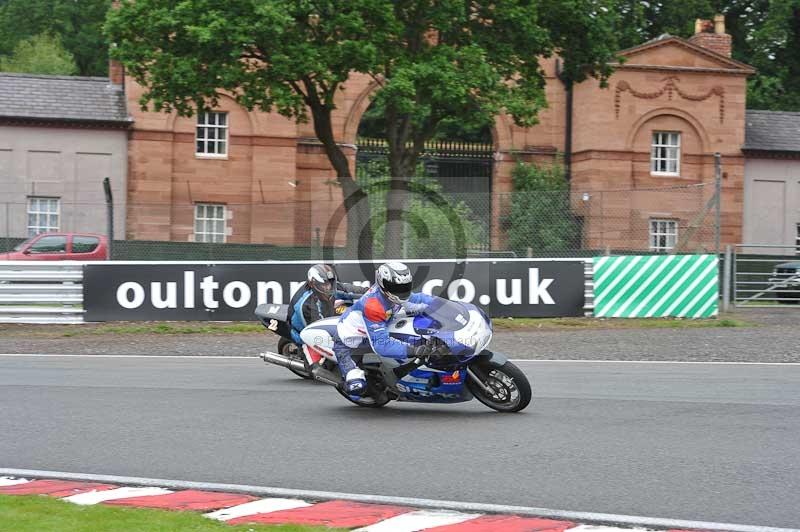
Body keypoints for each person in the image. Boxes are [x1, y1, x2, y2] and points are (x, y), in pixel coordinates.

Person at [335, 261, 435, 396]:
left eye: (405, 286)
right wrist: (414, 350)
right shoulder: (373, 306)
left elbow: (420, 299)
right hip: (350, 343)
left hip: (381, 325)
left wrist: (445, 305)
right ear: (382, 284)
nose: (401, 291)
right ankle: (348, 380)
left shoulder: (396, 294)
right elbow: (382, 346)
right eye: (395, 287)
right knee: (356, 387)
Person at [288, 264, 367, 345]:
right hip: (304, 334)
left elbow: (349, 290)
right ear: (314, 284)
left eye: (330, 283)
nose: (328, 287)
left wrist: (371, 291)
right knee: (326, 352)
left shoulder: (329, 287)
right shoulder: (307, 305)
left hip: (324, 313)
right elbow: (319, 330)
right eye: (324, 284)